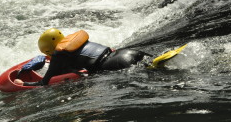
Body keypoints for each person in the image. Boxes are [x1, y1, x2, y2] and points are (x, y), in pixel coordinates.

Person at [14, 28, 150, 86]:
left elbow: (44, 83)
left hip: (115, 64)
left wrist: (23, 83)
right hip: (125, 52)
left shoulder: (58, 54)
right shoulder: (74, 40)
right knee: (152, 65)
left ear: (48, 49)